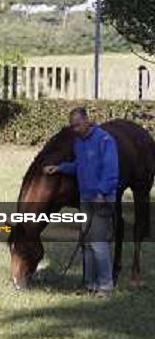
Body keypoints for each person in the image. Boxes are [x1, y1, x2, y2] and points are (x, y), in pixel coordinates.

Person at [44, 107, 119, 297]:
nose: (75, 129)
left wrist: (102, 193)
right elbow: (80, 165)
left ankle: (106, 286)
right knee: (86, 242)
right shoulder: (79, 141)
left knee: (98, 242)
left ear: (87, 120)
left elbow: (111, 171)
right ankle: (89, 285)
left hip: (102, 198)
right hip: (85, 197)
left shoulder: (104, 140)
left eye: (78, 125)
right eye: (72, 127)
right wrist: (59, 168)